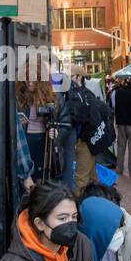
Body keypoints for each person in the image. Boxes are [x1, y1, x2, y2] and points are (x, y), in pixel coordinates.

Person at [49, 64, 101, 194]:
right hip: (80, 134)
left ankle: (68, 196)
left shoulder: (62, 87)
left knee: (67, 166)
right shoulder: (83, 91)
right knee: (81, 170)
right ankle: (83, 197)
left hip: (71, 132)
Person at [17, 79, 55, 182]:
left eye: (33, 80)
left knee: (42, 176)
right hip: (26, 139)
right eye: (27, 79)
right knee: (29, 177)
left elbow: (64, 121)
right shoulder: (19, 96)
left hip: (44, 140)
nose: (30, 82)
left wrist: (56, 130)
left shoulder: (50, 96)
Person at [113, 77, 131, 176]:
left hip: (120, 123)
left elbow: (115, 106)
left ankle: (119, 169)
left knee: (121, 147)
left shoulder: (118, 92)